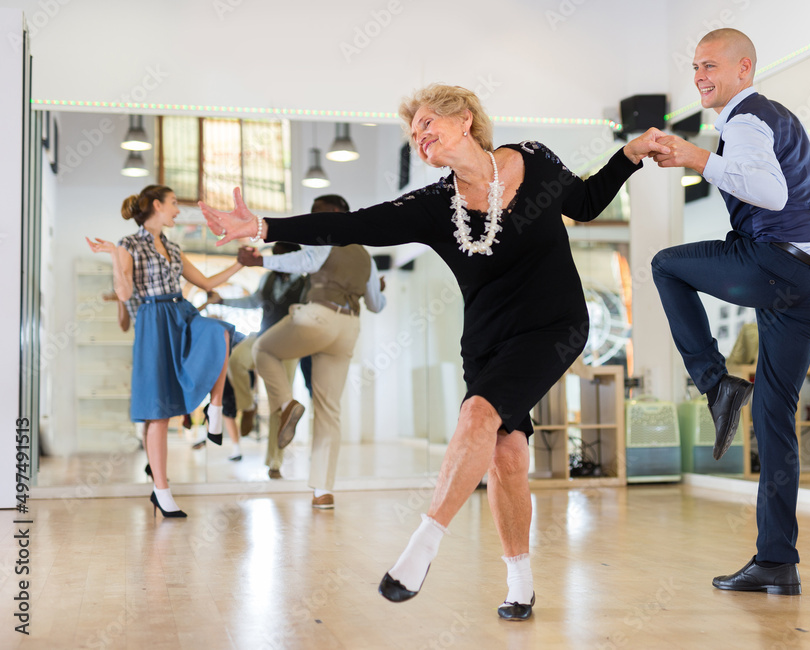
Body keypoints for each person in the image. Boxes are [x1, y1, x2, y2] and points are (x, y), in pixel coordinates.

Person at [200, 84, 668, 619]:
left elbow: (585, 202)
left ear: (464, 120)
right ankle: (521, 584)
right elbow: (353, 226)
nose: (420, 138)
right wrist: (263, 227)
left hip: (554, 326)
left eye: (426, 124)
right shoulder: (433, 205)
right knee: (507, 456)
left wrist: (628, 156)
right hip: (488, 341)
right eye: (413, 134)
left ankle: (422, 546)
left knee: (478, 413)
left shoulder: (533, 159)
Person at [649, 28, 810, 595]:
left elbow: (772, 194)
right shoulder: (780, 119)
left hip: (776, 265)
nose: (699, 76)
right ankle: (777, 562)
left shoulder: (743, 121)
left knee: (665, 265)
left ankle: (715, 384)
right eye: (694, 67)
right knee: (775, 417)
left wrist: (696, 158)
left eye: (709, 65)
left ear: (744, 68)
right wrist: (791, 149)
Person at [87, 184, 242, 517]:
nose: (176, 210)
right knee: (158, 410)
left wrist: (242, 264)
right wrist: (115, 256)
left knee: (220, 332)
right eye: (173, 204)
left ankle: (215, 408)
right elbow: (126, 293)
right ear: (157, 205)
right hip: (154, 322)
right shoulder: (128, 244)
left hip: (181, 313)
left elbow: (208, 283)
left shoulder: (172, 246)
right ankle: (161, 489)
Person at [237, 195, 385, 495]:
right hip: (349, 326)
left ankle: (286, 403)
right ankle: (323, 491)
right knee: (329, 410)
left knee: (262, 349)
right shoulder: (365, 257)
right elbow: (376, 305)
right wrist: (380, 287)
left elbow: (306, 261)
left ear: (332, 214)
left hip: (320, 315)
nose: (313, 220)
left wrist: (259, 260)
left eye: (317, 214)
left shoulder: (325, 236)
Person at [205, 241, 309, 476]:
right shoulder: (268, 279)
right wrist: (222, 301)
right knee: (236, 361)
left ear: (293, 258)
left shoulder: (305, 284)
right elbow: (253, 302)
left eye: (281, 257)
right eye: (275, 257)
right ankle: (247, 406)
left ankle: (275, 462)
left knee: (279, 402)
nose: (277, 262)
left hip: (288, 347)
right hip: (262, 338)